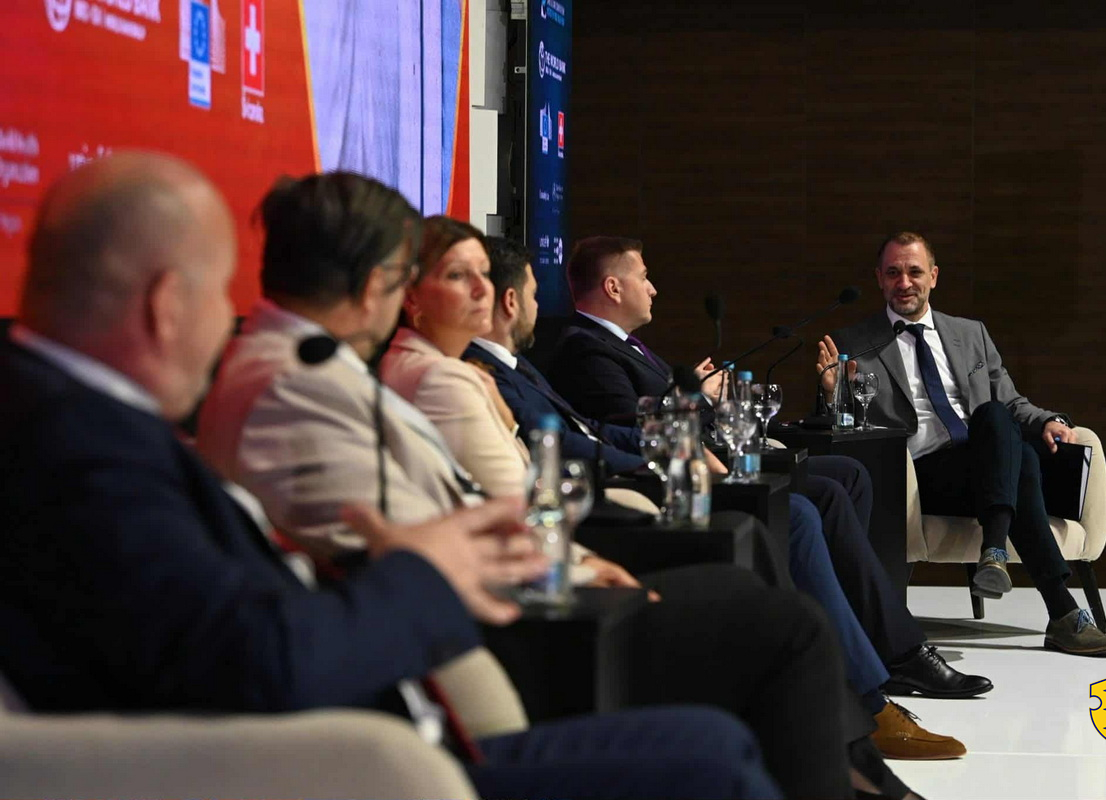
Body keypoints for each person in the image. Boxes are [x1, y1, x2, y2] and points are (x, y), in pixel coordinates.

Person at [0, 152, 787, 800]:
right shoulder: (79, 451)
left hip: (374, 733)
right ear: (169, 305)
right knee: (717, 753)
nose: (227, 323)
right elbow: (255, 662)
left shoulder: (72, 423)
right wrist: (424, 569)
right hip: (350, 762)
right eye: (219, 291)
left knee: (718, 740)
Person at [195, 181, 920, 799]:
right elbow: (423, 535)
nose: (485, 294)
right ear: (377, 281)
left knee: (759, 592)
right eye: (426, 273)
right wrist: (566, 563)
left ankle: (852, 758)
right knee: (779, 625)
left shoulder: (316, 368)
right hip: (497, 632)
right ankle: (855, 765)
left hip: (502, 596)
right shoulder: (300, 384)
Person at [472, 236, 992, 764]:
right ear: (612, 286)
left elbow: (600, 428)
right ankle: (864, 691)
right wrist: (690, 413)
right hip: (641, 491)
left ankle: (874, 654)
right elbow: (597, 434)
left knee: (839, 484)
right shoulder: (575, 349)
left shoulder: (539, 362)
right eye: (644, 276)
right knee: (802, 511)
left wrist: (690, 414)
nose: (653, 288)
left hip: (687, 461)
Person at [818, 231, 1106, 656]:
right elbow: (841, 427)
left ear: (934, 276)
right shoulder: (853, 343)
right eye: (893, 273)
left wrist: (1049, 420)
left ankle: (997, 551)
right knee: (1021, 460)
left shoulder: (970, 333)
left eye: (914, 271)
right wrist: (833, 394)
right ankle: (1059, 608)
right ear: (879, 279)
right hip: (919, 475)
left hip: (983, 464)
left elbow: (1011, 402)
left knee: (997, 420)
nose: (904, 282)